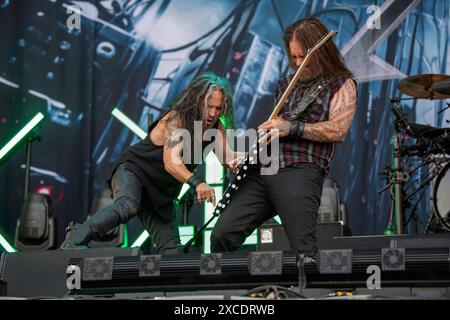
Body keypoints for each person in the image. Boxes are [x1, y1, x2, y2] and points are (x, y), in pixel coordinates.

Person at [210, 18, 357, 257]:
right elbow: (275, 134)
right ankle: (248, 292)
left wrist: (292, 127)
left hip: (300, 168)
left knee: (303, 248)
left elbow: (339, 130)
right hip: (264, 168)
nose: (299, 63)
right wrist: (248, 157)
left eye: (303, 57)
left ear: (321, 52)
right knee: (222, 235)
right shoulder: (285, 84)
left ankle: (302, 292)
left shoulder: (342, 83)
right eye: (294, 57)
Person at [61, 72, 237, 253]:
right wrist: (197, 183)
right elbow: (171, 162)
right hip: (135, 172)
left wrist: (258, 152)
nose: (212, 113)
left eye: (218, 108)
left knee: (171, 252)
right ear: (197, 101)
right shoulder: (177, 119)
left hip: (161, 193)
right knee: (127, 206)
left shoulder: (216, 127)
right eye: (209, 106)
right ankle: (75, 236)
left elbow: (229, 159)